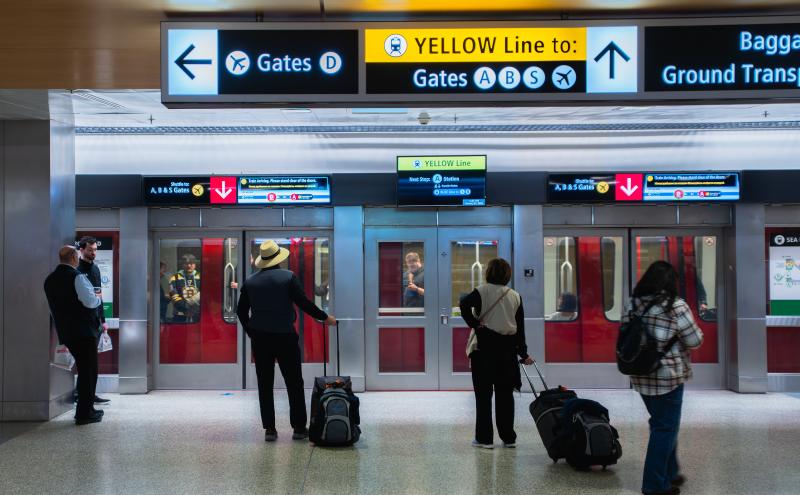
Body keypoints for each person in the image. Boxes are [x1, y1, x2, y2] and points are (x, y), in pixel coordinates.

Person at [237, 240, 336, 442]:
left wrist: (251, 332)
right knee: (294, 382)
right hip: (285, 337)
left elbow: (240, 311)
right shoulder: (288, 277)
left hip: (260, 338)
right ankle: (299, 428)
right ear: (279, 259)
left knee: (265, 383)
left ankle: (270, 430)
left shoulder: (250, 282)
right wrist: (325, 318)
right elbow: (304, 303)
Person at [622, 261, 704, 495]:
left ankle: (672, 471)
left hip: (640, 375)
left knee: (662, 424)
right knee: (664, 428)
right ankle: (654, 486)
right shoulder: (676, 306)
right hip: (668, 377)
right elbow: (694, 340)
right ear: (670, 283)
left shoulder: (633, 304)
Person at [459, 257, 534, 449]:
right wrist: (523, 354)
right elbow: (520, 329)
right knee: (505, 396)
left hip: (483, 350)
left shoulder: (481, 291)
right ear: (507, 274)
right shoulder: (515, 295)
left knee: (483, 396)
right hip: (507, 351)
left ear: (488, 273)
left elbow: (464, 305)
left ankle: (484, 439)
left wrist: (476, 325)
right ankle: (508, 438)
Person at [44, 246, 104, 425]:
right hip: (85, 331)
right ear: (72, 257)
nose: (78, 259)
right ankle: (85, 413)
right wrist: (98, 298)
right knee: (89, 372)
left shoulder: (49, 280)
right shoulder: (76, 276)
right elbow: (90, 301)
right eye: (77, 255)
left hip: (66, 332)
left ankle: (86, 410)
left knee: (84, 369)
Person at [75, 236, 111, 405]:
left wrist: (103, 320)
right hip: (81, 322)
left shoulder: (95, 269)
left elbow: (99, 296)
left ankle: (89, 394)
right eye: (90, 250)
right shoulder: (76, 270)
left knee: (91, 362)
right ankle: (82, 395)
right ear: (81, 250)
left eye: (95, 250)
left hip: (95, 321)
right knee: (85, 363)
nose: (93, 253)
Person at [169, 253, 201, 323]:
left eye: (191, 263)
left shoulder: (201, 277)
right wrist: (185, 307)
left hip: (198, 314)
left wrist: (194, 309)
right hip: (179, 314)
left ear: (195, 264)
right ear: (182, 265)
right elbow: (174, 296)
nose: (189, 265)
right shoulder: (175, 278)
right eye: (186, 263)